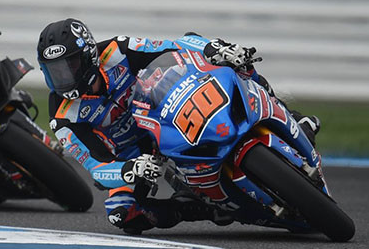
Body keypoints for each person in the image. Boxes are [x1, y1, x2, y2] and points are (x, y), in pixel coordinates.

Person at [36, 18, 320, 233]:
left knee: (233, 61)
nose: (63, 77)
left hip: (165, 112)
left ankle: (287, 114)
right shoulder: (61, 117)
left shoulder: (118, 49)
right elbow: (96, 166)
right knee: (121, 214)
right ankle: (198, 207)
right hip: (136, 154)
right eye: (54, 71)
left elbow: (176, 45)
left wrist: (214, 48)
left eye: (68, 66)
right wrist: (129, 169)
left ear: (88, 56)